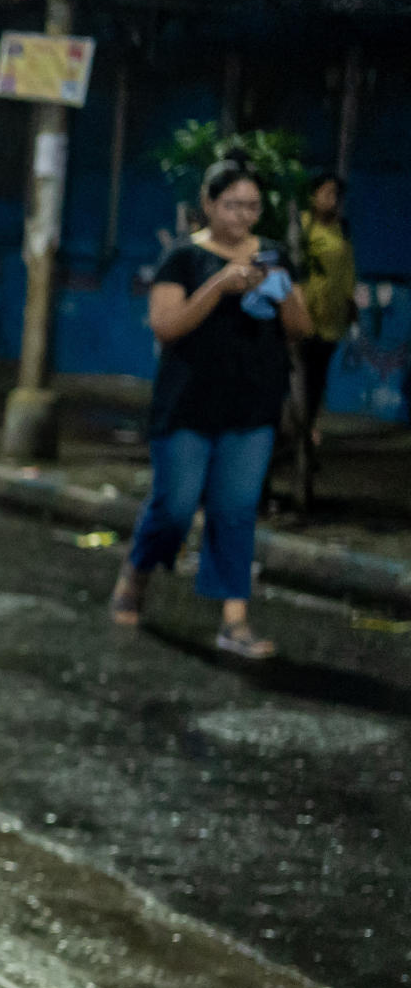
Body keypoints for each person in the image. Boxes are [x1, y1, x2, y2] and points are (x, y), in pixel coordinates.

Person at [114, 157, 313, 660]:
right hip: (186, 406)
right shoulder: (183, 259)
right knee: (175, 506)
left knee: (235, 510)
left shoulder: (275, 256)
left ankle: (234, 620)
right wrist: (220, 285)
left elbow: (300, 329)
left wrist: (281, 288)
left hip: (252, 406)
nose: (243, 216)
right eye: (232, 205)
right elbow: (168, 325)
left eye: (252, 205)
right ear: (208, 205)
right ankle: (136, 575)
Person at [299, 171, 355, 452]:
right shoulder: (302, 226)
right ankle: (295, 430)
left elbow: (348, 268)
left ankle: (308, 429)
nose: (332, 200)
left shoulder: (341, 228)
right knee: (300, 374)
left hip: (332, 319)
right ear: (313, 195)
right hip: (302, 314)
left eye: (336, 195)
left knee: (317, 377)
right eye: (327, 193)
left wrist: (350, 300)